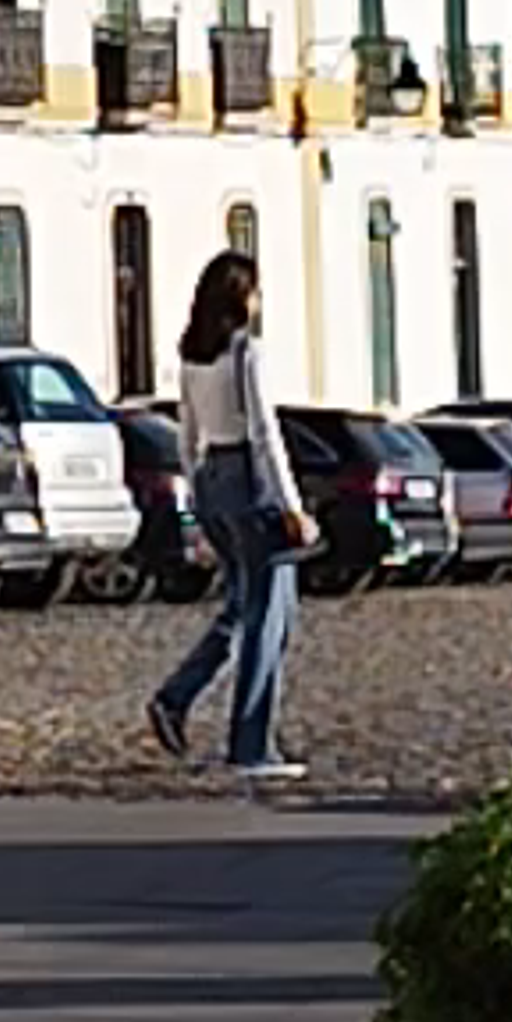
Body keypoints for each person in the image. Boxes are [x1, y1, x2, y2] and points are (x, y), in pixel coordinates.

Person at [147, 244, 315, 785]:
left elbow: (188, 431)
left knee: (247, 607)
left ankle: (178, 697)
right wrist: (291, 505)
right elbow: (265, 432)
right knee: (269, 615)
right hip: (248, 477)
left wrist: (198, 497)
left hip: (214, 477)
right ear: (241, 296)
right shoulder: (247, 353)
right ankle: (250, 742)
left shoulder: (194, 356)